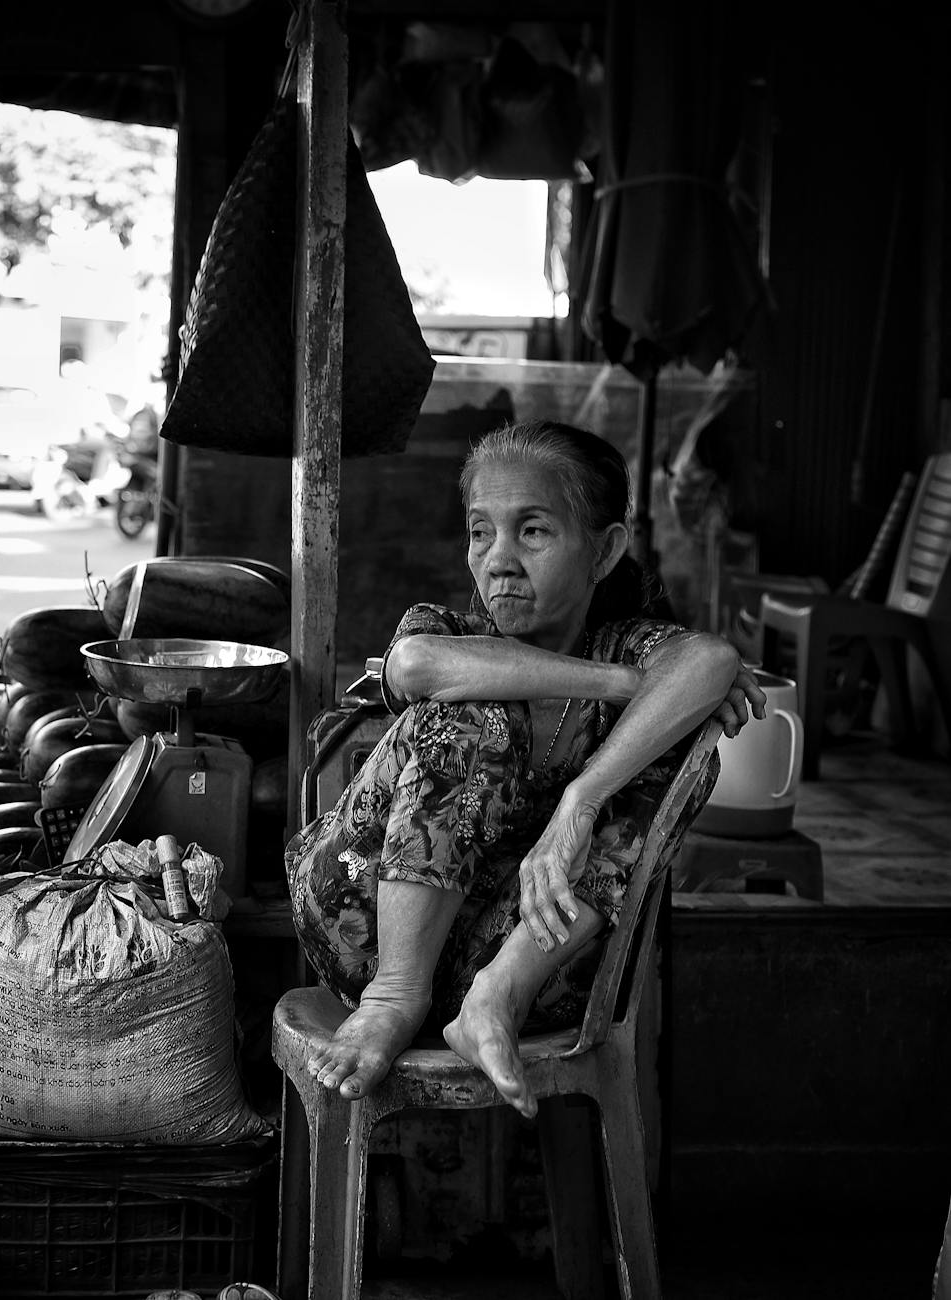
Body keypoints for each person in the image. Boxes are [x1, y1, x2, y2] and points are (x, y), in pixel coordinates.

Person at [287, 420, 764, 1119]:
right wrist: (634, 686)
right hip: (357, 923)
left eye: (533, 532)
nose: (498, 560)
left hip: (520, 962)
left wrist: (583, 796)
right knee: (474, 713)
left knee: (680, 750)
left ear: (604, 552)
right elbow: (416, 666)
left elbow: (713, 663)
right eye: (482, 532)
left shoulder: (634, 639)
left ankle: (492, 1003)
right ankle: (395, 997)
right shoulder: (447, 629)